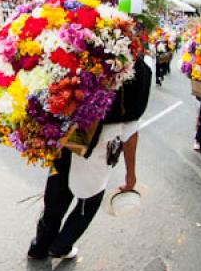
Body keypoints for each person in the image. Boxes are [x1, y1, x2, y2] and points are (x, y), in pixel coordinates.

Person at [28, 56, 151, 259]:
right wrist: (131, 175)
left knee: (59, 186)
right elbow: (130, 130)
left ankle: (40, 245)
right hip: (100, 144)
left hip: (74, 133)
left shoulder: (89, 53)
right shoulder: (140, 69)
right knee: (90, 197)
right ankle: (60, 246)